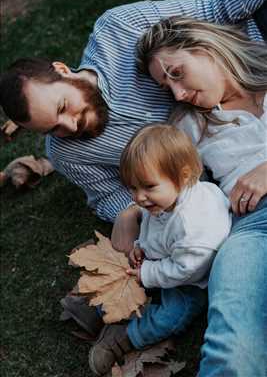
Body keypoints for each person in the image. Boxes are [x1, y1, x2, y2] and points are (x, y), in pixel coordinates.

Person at [0, 0, 266, 234]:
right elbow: (108, 196)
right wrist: (130, 213)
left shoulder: (118, 28)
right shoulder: (66, 154)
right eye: (53, 128)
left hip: (249, 66)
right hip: (226, 166)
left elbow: (213, 7)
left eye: (62, 108)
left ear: (62, 70)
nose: (71, 125)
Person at [135, 16, 267, 376]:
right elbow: (166, 189)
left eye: (177, 73)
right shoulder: (188, 126)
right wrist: (130, 218)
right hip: (251, 227)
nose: (177, 93)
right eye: (167, 86)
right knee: (233, 347)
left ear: (206, 48)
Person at [88, 123, 232, 376]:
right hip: (166, 259)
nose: (139, 197)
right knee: (131, 276)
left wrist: (148, 273)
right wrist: (140, 247)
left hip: (194, 280)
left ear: (184, 176)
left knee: (173, 315)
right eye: (133, 188)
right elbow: (152, 226)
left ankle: (128, 335)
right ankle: (109, 305)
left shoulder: (193, 226)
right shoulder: (162, 200)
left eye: (148, 187)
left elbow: (185, 269)